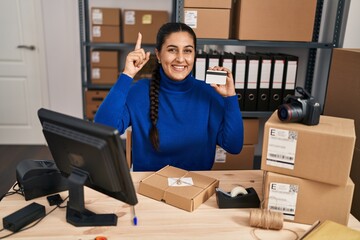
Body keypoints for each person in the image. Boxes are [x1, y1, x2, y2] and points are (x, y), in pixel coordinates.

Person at [94, 22, 244, 171]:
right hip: (148, 187)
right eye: (172, 50)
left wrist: (230, 98)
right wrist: (126, 75)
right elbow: (103, 129)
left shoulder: (209, 92)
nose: (180, 58)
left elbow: (234, 146)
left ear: (194, 55)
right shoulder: (139, 91)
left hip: (196, 187)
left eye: (187, 51)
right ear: (158, 55)